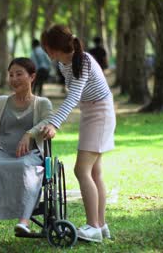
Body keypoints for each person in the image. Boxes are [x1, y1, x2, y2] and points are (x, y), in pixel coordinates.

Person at [40, 25, 116, 243]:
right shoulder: (64, 63)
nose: (46, 52)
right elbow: (76, 96)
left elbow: (73, 96)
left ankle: (93, 226)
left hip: (100, 113)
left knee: (82, 170)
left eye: (47, 47)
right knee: (94, 172)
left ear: (53, 49)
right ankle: (100, 226)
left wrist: (54, 123)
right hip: (90, 111)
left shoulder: (82, 61)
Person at [0, 57, 53, 238]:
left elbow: (49, 121)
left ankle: (24, 221)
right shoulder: (0, 102)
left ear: (32, 77)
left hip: (30, 154)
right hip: (0, 152)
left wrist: (29, 134)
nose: (14, 79)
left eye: (19, 74)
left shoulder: (42, 103)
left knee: (25, 167)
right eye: (11, 75)